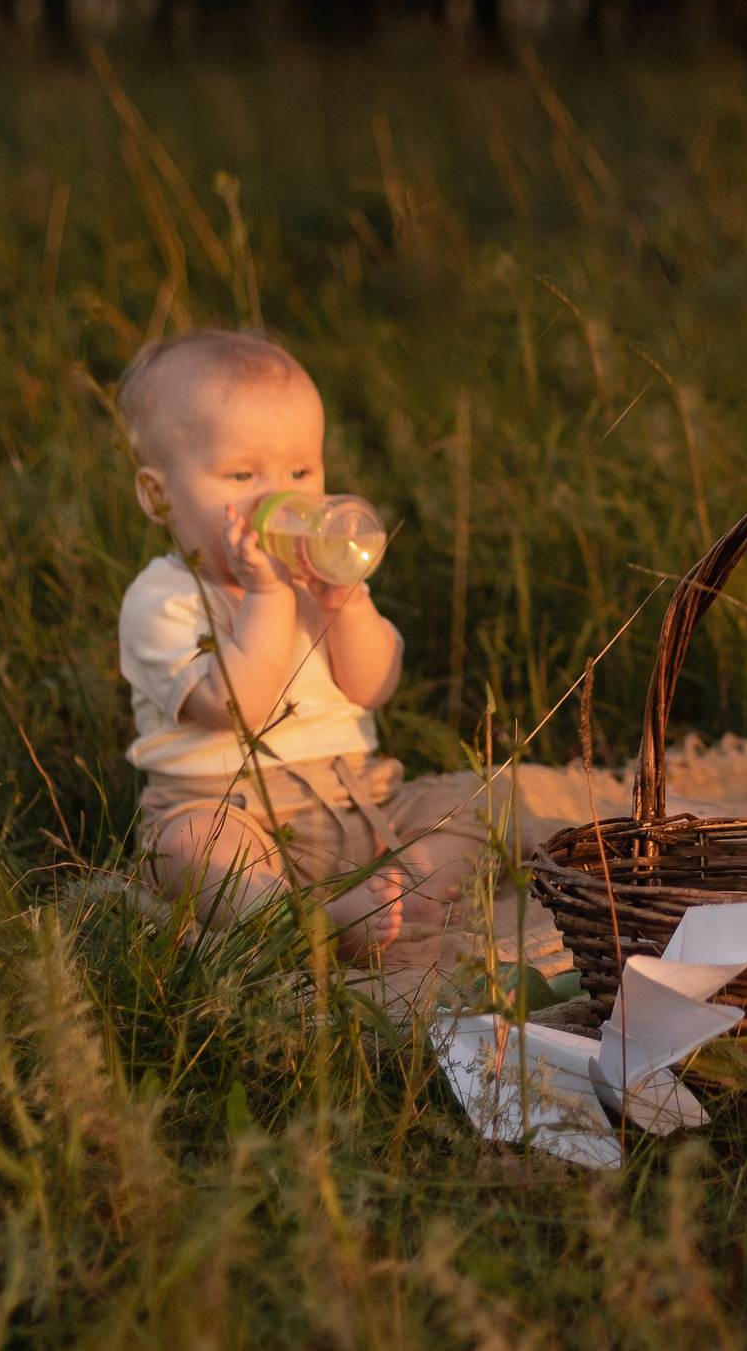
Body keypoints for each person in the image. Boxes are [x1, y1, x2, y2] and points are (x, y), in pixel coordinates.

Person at [116, 328, 483, 958]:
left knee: (469, 809)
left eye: (299, 471)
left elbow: (373, 686)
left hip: (357, 799)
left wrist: (347, 604)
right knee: (192, 850)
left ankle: (410, 893)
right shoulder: (163, 601)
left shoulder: (318, 580)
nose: (278, 498)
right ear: (159, 495)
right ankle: (302, 920)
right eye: (241, 474)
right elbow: (241, 710)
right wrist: (268, 596)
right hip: (233, 810)